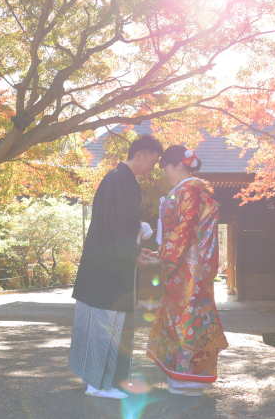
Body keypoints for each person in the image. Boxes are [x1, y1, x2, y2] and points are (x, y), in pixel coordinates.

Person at [68, 134, 164, 399]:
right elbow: (115, 222)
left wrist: (136, 249)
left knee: (114, 323)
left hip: (112, 263)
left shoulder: (123, 179)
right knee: (103, 322)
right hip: (106, 267)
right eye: (153, 161)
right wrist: (132, 253)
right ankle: (97, 385)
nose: (153, 167)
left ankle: (110, 382)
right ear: (139, 154)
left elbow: (122, 223)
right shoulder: (118, 179)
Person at [145, 145, 229, 397]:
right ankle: (185, 378)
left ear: (180, 165)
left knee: (186, 316)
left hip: (187, 267)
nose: (165, 174)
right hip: (188, 265)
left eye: (166, 168)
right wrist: (161, 253)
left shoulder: (189, 192)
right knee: (186, 316)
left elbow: (184, 229)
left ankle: (187, 378)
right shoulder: (189, 191)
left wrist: (163, 255)